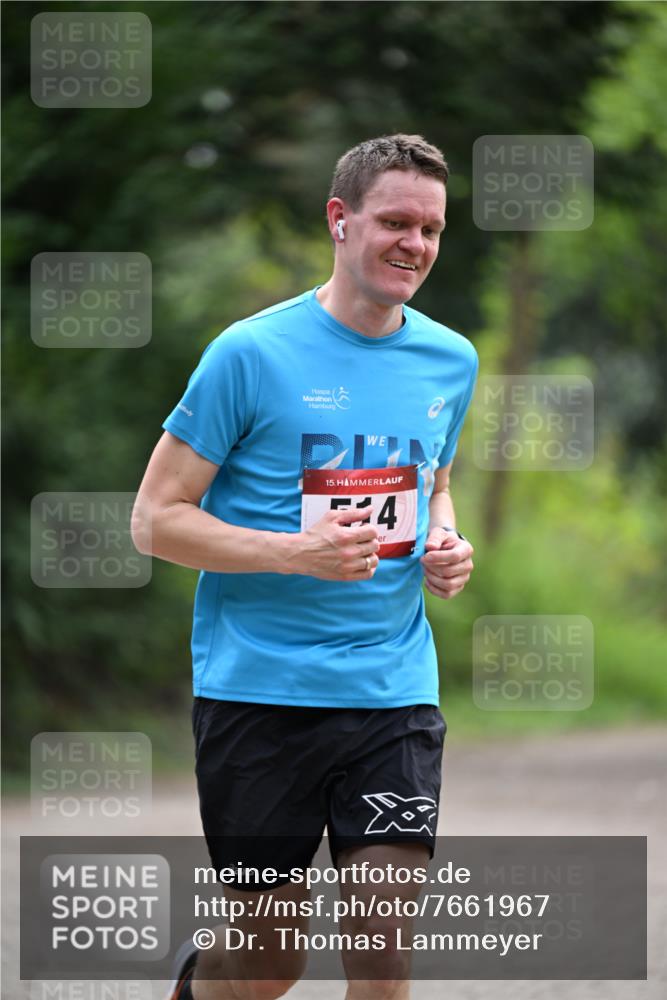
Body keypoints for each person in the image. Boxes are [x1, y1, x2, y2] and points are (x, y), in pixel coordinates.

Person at [132, 134, 478, 1000]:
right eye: (395, 222)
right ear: (339, 220)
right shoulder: (249, 355)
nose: (415, 245)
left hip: (390, 694)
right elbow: (154, 521)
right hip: (259, 695)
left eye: (431, 229)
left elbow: (434, 480)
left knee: (382, 955)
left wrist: (444, 540)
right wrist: (296, 554)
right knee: (268, 961)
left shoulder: (451, 360)